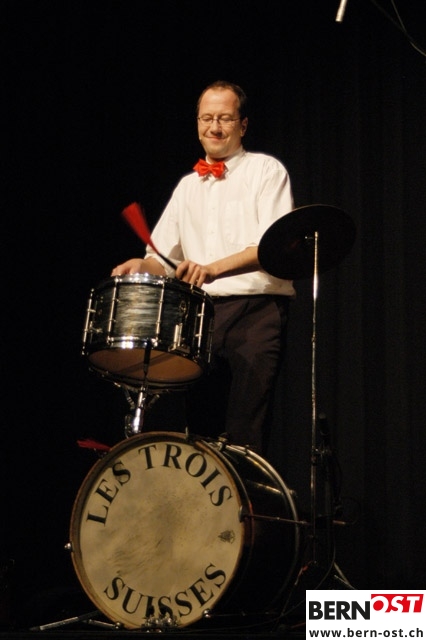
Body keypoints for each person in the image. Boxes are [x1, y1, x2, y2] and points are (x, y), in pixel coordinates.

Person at [111, 80, 296, 456]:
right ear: (197, 123)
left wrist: (212, 269)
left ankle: (246, 496)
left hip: (257, 311)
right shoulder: (187, 187)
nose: (215, 126)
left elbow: (270, 247)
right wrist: (141, 266)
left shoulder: (266, 171)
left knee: (245, 428)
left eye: (224, 118)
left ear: (242, 125)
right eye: (207, 118)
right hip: (201, 315)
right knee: (199, 431)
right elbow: (163, 259)